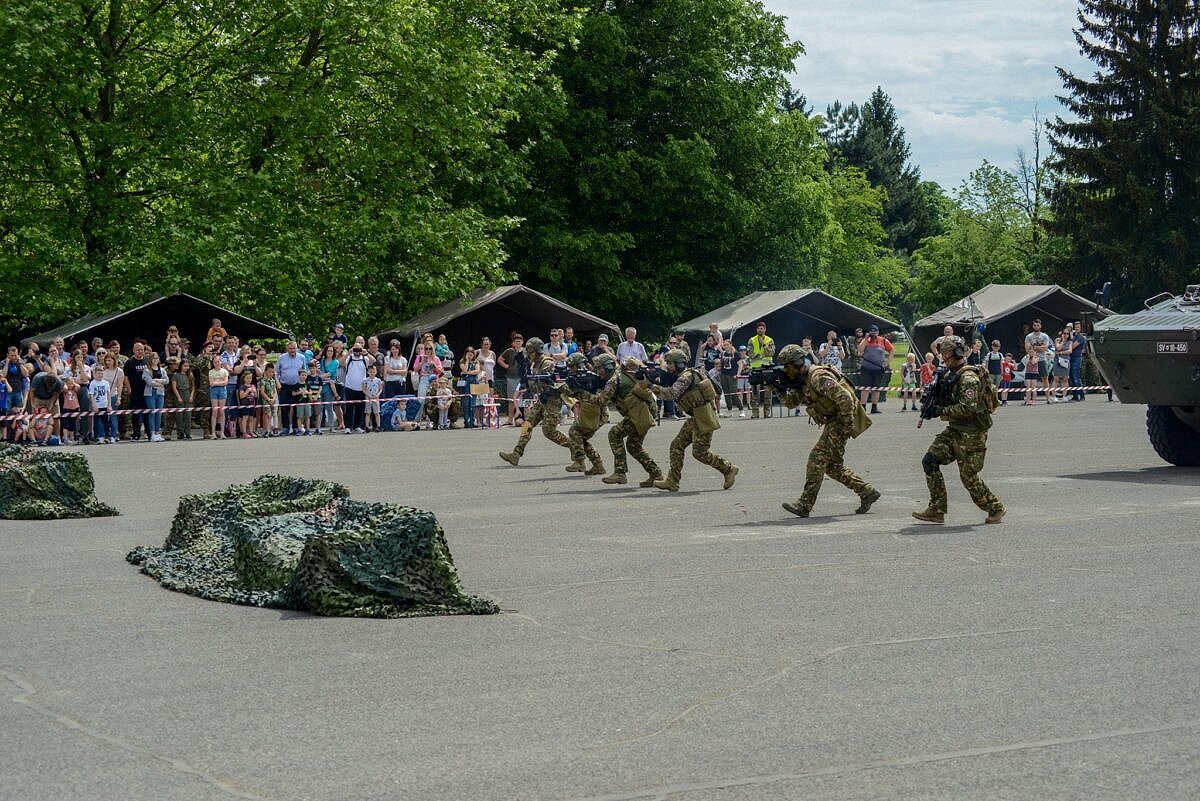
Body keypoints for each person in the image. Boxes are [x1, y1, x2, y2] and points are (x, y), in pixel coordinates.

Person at [773, 344, 879, 517]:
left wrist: (846, 423)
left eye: (787, 366)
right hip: (835, 421)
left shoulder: (817, 377)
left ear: (798, 363)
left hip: (840, 420)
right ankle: (867, 492)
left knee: (816, 459)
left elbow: (844, 397)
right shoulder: (803, 380)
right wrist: (777, 389)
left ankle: (804, 505)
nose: (785, 370)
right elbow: (791, 403)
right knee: (833, 466)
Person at [912, 336, 1005, 525]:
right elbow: (946, 397)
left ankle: (995, 507)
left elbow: (968, 408)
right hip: (955, 429)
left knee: (968, 477)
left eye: (945, 353)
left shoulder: (968, 378)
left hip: (972, 433)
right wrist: (931, 403)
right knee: (930, 461)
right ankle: (937, 509)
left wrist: (940, 411)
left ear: (956, 353)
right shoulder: (949, 374)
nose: (942, 357)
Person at [645, 349, 738, 491]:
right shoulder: (685, 374)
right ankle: (672, 481)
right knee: (676, 445)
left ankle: (728, 468)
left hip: (703, 417)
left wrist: (652, 386)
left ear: (680, 364)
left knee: (699, 453)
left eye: (671, 364)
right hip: (696, 416)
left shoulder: (686, 376)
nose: (668, 367)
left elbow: (671, 393)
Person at [498, 337, 572, 464]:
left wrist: (529, 381)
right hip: (542, 399)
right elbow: (534, 385)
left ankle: (575, 446)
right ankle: (516, 454)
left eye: (531, 352)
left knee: (549, 431)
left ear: (536, 351)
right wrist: (525, 375)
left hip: (552, 400)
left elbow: (544, 385)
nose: (529, 355)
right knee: (527, 424)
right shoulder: (535, 363)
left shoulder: (547, 363)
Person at [561, 352, 607, 475]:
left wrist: (560, 386)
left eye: (572, 367)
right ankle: (597, 465)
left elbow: (573, 392)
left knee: (575, 433)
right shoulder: (585, 377)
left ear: (579, 365)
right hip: (594, 411)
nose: (571, 369)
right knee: (580, 438)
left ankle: (580, 462)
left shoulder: (591, 378)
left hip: (597, 412)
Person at [856, 324, 893, 414]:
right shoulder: (865, 341)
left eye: (875, 332)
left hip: (878, 369)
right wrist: (865, 339)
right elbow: (860, 351)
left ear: (878, 332)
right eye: (872, 332)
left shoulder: (883, 340)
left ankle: (874, 407)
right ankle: (863, 408)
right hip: (866, 368)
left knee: (876, 389)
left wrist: (887, 362)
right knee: (865, 388)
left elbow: (892, 350)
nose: (873, 335)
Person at [340, 338, 371, 433]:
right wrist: (349, 353)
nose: (357, 351)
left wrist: (366, 353)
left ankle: (357, 426)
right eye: (356, 349)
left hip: (361, 388)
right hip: (349, 387)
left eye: (359, 349)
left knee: (360, 408)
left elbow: (374, 361)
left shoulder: (365, 359)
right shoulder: (349, 358)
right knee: (349, 408)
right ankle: (348, 427)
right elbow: (340, 363)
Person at [746, 321, 776, 418]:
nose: (760, 329)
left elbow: (771, 353)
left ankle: (767, 413)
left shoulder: (769, 340)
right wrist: (759, 355)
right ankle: (755, 413)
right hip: (755, 369)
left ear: (765, 329)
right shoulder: (751, 340)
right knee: (755, 392)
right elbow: (749, 353)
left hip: (767, 369)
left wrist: (764, 345)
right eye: (759, 328)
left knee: (768, 392)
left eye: (762, 328)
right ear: (756, 329)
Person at [497, 333, 526, 426]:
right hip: (511, 377)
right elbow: (500, 359)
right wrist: (506, 366)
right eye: (516, 341)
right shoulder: (509, 351)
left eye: (519, 341)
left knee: (525, 398)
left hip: (522, 377)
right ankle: (510, 419)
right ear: (513, 343)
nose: (518, 343)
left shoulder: (525, 351)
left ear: (522, 342)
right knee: (511, 399)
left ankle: (525, 417)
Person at [1024, 319, 1052, 403]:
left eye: (1038, 325)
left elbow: (1046, 348)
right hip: (1031, 361)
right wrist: (1040, 348)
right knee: (1029, 381)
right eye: (1035, 325)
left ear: (1040, 326)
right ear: (1033, 326)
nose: (1036, 327)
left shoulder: (1044, 336)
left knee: (1045, 379)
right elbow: (1027, 349)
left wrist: (1034, 347)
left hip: (1042, 360)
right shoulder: (1029, 336)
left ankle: (1048, 398)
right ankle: (1029, 400)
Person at [88, 365, 113, 443]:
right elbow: (91, 395)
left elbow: (108, 394)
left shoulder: (106, 383)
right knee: (96, 422)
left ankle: (107, 436)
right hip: (97, 406)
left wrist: (109, 405)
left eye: (101, 373)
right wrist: (94, 405)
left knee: (106, 422)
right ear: (94, 374)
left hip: (105, 405)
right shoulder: (92, 383)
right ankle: (97, 437)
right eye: (98, 373)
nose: (100, 375)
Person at [171, 357, 195, 439]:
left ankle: (187, 432)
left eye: (188, 366)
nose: (186, 368)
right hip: (180, 393)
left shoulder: (190, 375)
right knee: (180, 415)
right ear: (181, 366)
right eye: (185, 366)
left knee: (188, 415)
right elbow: (174, 387)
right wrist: (178, 397)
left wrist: (191, 396)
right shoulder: (176, 375)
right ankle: (180, 433)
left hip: (187, 394)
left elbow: (193, 387)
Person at [208, 358, 229, 439]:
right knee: (215, 411)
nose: (217, 363)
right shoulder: (211, 372)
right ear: (213, 363)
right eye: (215, 362)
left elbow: (225, 382)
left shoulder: (224, 371)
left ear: (221, 362)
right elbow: (211, 383)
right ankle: (213, 432)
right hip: (214, 391)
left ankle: (222, 432)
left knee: (221, 411)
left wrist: (216, 382)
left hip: (222, 391)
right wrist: (220, 382)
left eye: (218, 362)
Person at [236, 370, 258, 438]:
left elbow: (256, 396)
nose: (249, 380)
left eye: (250, 378)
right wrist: (247, 392)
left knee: (251, 419)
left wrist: (254, 392)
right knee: (245, 418)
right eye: (247, 378)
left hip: (252, 404)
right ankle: (244, 432)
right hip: (245, 405)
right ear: (244, 379)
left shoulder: (253, 386)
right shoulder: (242, 387)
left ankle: (251, 432)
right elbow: (241, 396)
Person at [362, 363, 383, 432]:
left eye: (373, 372)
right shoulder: (365, 380)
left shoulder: (378, 380)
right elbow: (363, 389)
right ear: (368, 372)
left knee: (377, 413)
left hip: (376, 398)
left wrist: (377, 395)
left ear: (376, 372)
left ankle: (378, 426)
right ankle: (367, 426)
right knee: (368, 413)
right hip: (368, 399)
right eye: (370, 372)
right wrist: (368, 395)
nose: (372, 373)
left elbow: (380, 389)